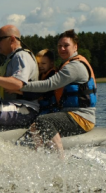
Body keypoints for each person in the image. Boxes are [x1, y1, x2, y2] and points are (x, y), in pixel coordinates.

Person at [19, 29, 97, 157]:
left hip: (81, 117)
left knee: (44, 121)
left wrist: (20, 86)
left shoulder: (75, 66)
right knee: (33, 128)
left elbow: (49, 84)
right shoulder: (67, 65)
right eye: (59, 46)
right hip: (70, 114)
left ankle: (60, 161)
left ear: (75, 46)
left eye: (66, 45)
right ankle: (39, 158)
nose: (62, 49)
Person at [0, 25, 39, 139]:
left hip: (26, 108)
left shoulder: (21, 56)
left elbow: (18, 83)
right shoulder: (11, 58)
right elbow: (8, 85)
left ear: (12, 39)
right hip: (13, 104)